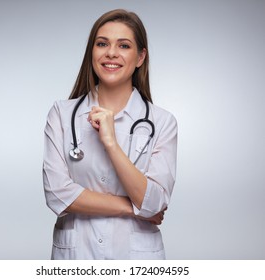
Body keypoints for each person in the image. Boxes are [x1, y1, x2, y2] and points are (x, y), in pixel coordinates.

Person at [43, 9, 177, 260]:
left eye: (124, 45)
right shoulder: (61, 114)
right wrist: (132, 208)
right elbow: (57, 194)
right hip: (76, 256)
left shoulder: (162, 123)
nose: (111, 53)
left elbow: (155, 201)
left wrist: (111, 143)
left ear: (140, 57)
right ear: (91, 53)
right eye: (102, 43)